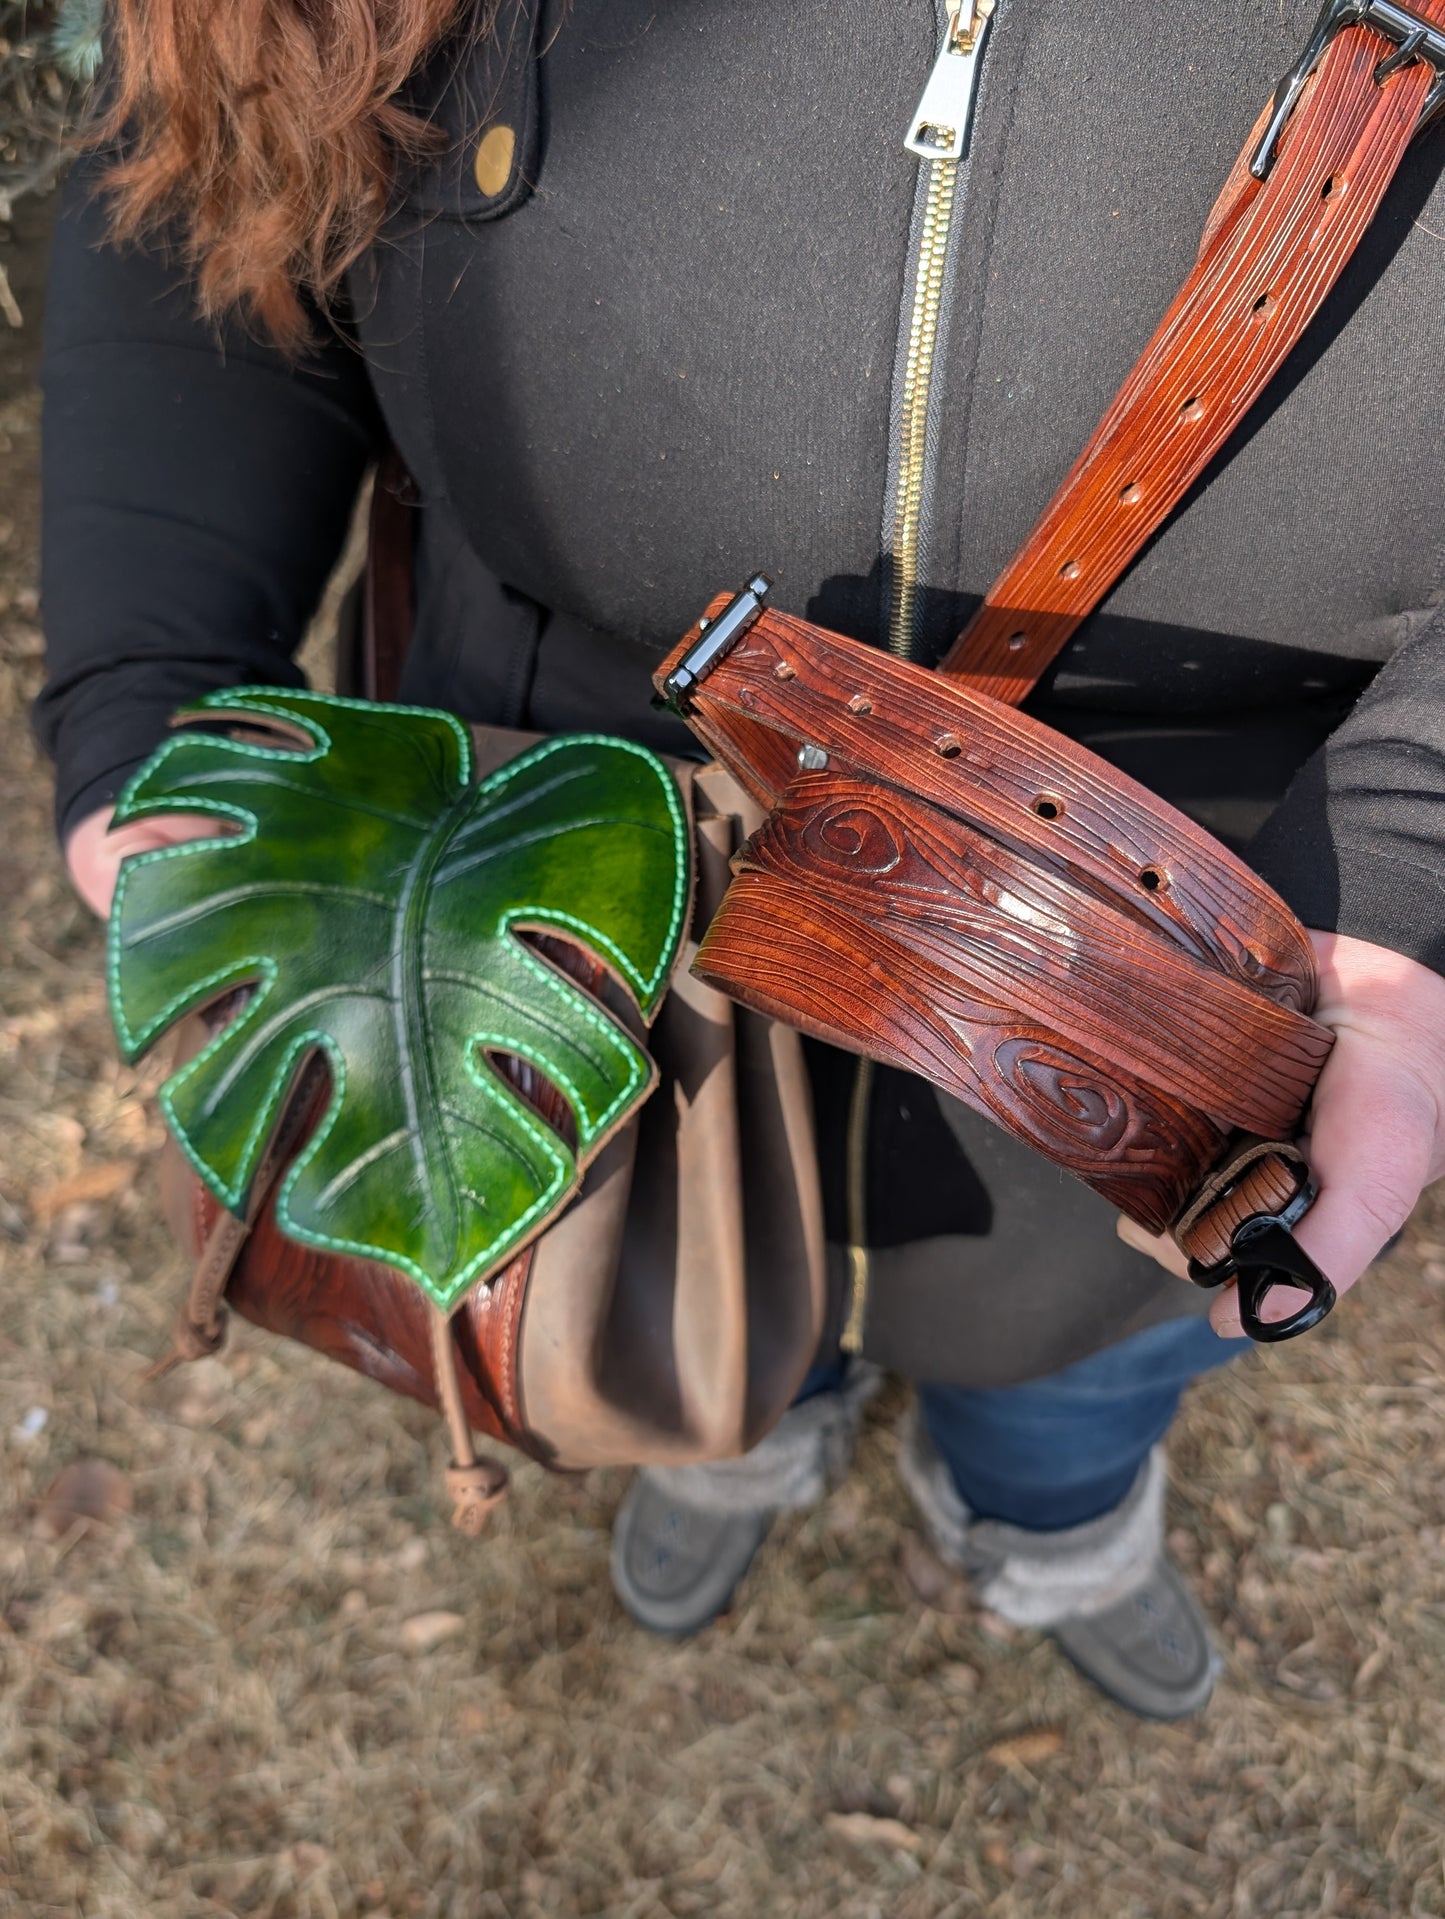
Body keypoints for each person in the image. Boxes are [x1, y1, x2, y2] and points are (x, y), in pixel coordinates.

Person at [38, 0, 1445, 1720]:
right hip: (587, 908)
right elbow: (222, 138)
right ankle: (735, 1435)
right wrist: (148, 682)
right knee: (681, 1327)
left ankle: (1052, 1525)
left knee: (1079, 1377)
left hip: (1154, 984)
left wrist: (1406, 848)